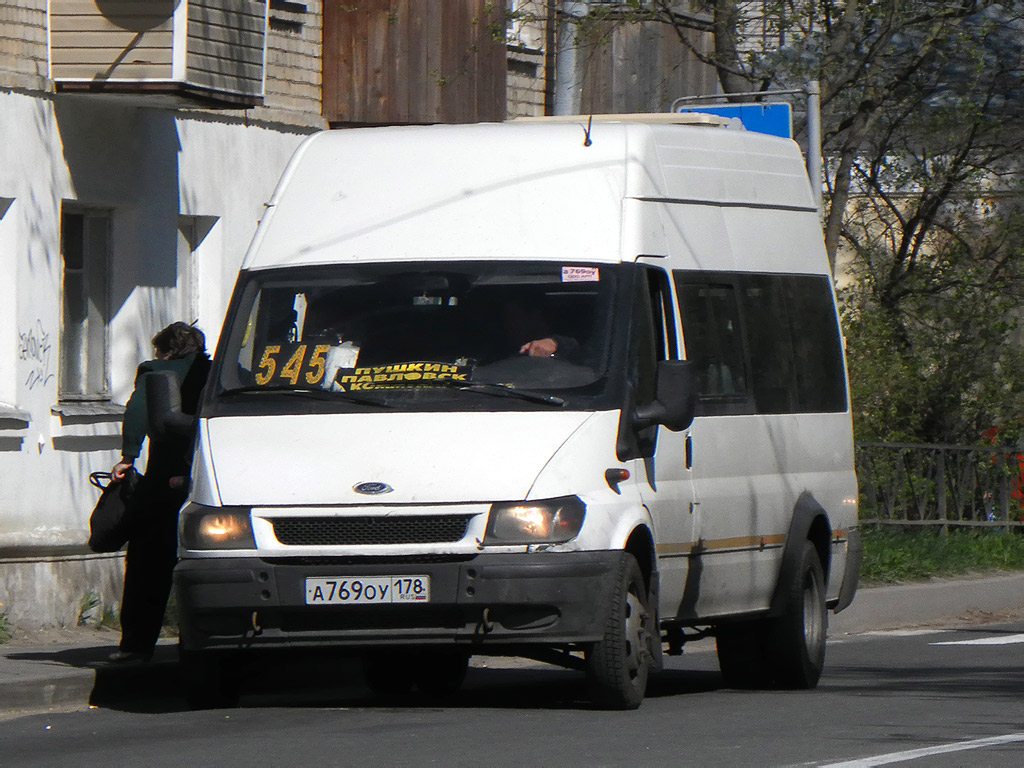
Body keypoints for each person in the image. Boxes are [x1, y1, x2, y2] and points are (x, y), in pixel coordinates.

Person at [108, 322, 211, 663]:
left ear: (166, 349)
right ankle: (201, 640)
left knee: (148, 562)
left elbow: (137, 412)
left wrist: (127, 456)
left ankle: (137, 644)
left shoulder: (156, 371)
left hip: (165, 479)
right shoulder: (217, 372)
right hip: (211, 477)